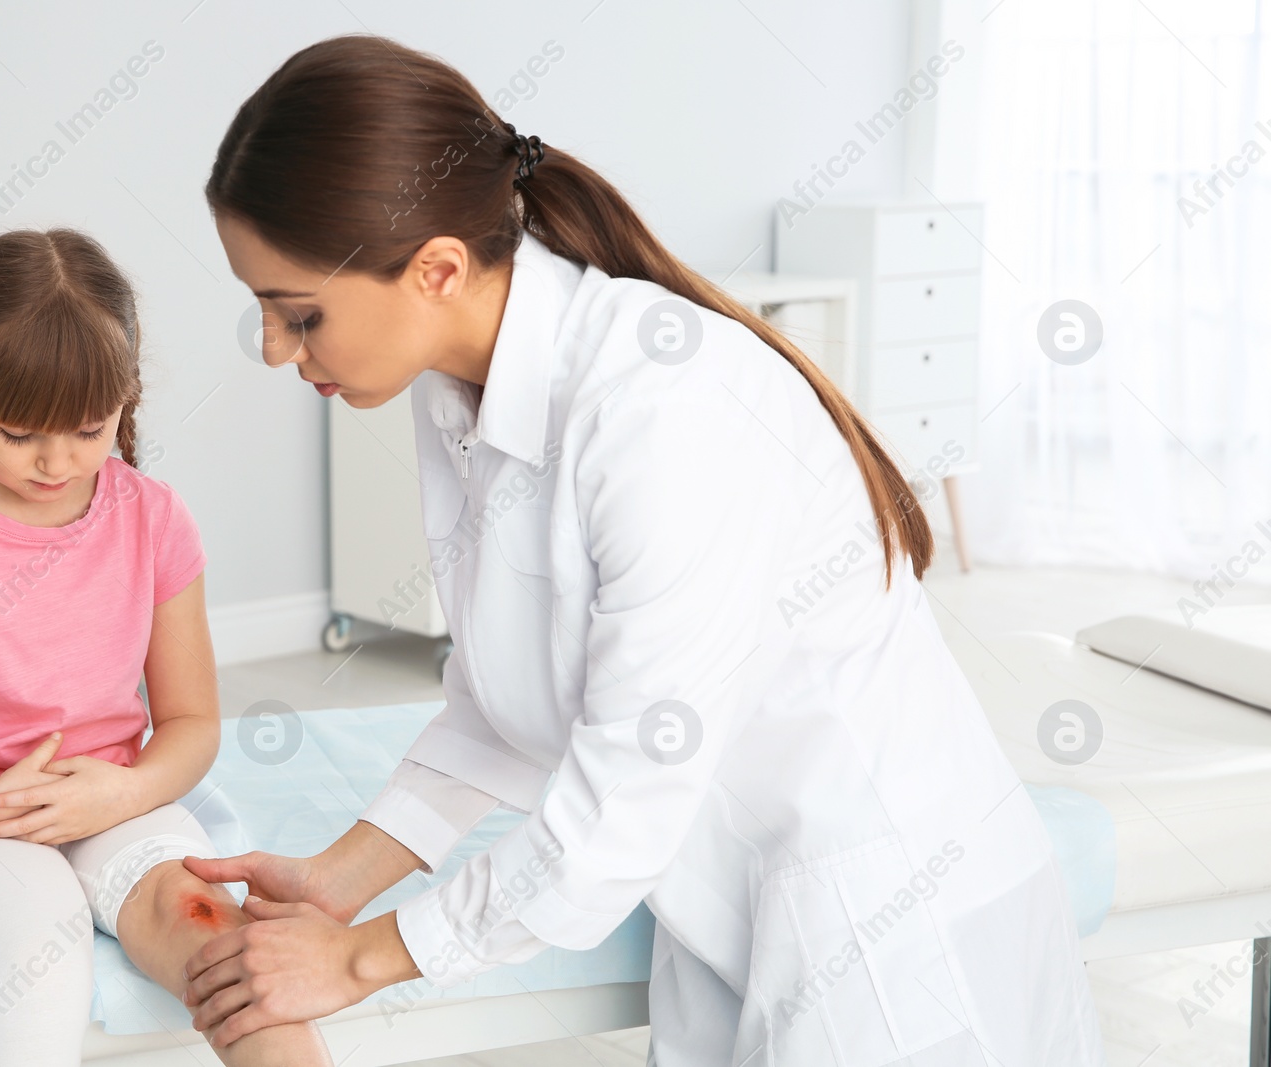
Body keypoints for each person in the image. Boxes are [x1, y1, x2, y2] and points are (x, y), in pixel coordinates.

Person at [179, 34, 1106, 1066]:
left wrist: (358, 959)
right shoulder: (460, 390)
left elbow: (611, 817)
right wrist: (339, 877)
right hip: (733, 911)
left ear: (437, 268)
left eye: (298, 313)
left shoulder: (666, 408)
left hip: (894, 940)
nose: (272, 348)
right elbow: (501, 702)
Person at [0, 228, 331, 1066]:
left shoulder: (155, 517)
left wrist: (121, 794)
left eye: (90, 430)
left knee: (228, 943)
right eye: (21, 432)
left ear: (126, 396)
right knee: (41, 954)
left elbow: (192, 722)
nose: (57, 461)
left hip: (113, 799)